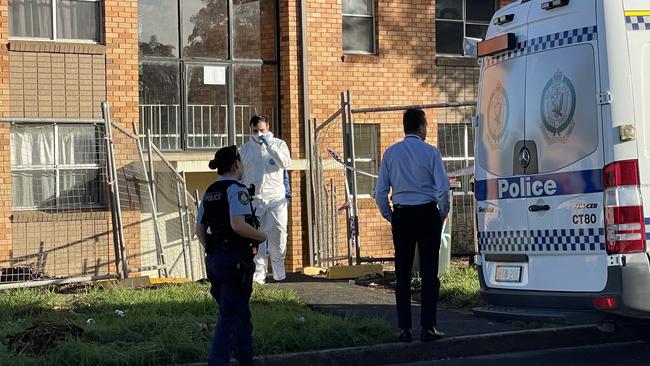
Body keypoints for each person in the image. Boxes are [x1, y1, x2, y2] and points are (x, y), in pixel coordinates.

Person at [375, 108, 450, 343]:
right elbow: (443, 188)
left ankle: (404, 329)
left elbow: (380, 192)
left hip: (402, 215)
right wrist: (442, 212)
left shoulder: (390, 153)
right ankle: (428, 327)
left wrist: (389, 215)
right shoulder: (431, 153)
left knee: (403, 272)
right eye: (426, 125)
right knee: (429, 273)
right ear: (421, 127)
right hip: (427, 214)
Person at [195, 145, 267, 366]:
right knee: (229, 317)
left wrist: (213, 249)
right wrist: (262, 236)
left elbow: (199, 229)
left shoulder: (210, 191)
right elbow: (238, 225)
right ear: (236, 164)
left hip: (214, 259)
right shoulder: (237, 190)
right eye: (241, 162)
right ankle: (218, 361)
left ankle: (246, 357)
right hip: (235, 259)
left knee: (239, 312)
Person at [240, 115, 291, 284]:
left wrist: (270, 147)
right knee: (257, 237)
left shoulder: (279, 144)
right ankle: (259, 274)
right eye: (255, 131)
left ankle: (279, 271)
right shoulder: (245, 149)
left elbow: (286, 163)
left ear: (268, 128)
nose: (259, 134)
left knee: (278, 233)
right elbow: (240, 175)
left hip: (276, 198)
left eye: (262, 130)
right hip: (255, 200)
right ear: (250, 130)